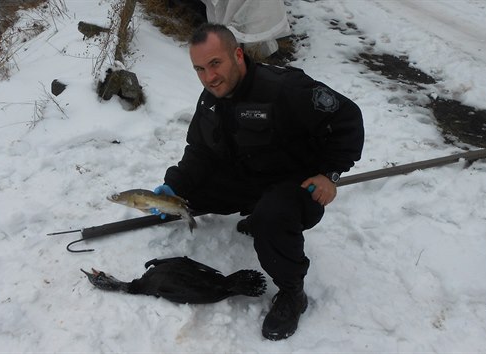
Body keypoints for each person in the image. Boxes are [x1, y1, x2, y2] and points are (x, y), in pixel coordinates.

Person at [153, 23, 364, 340]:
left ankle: (293, 293)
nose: (208, 77)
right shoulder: (211, 97)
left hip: (297, 185)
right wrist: (176, 187)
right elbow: (200, 151)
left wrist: (330, 174)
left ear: (237, 54)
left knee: (271, 218)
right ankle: (255, 210)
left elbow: (347, 118)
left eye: (215, 64)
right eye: (199, 69)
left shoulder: (285, 89)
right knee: (184, 197)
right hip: (250, 178)